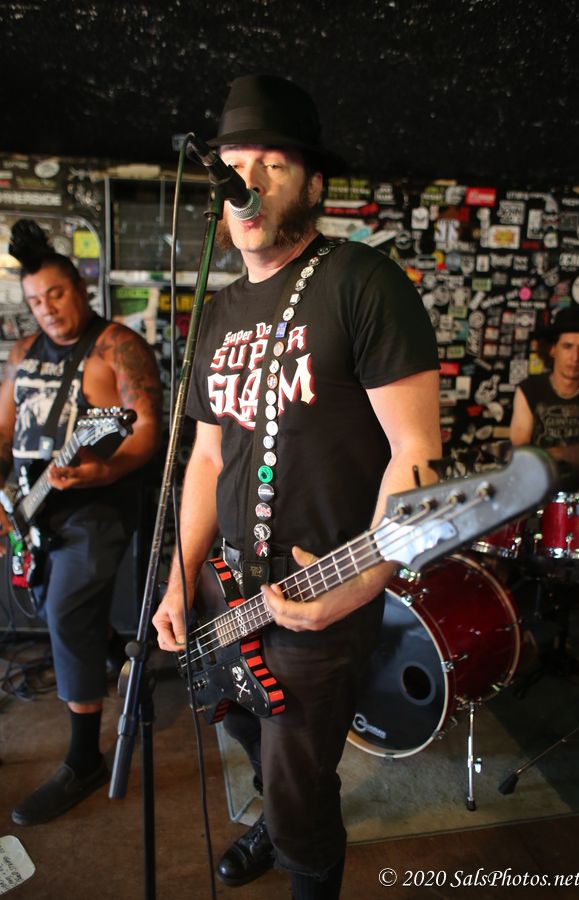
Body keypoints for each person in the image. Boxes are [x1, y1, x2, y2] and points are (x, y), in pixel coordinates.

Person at [152, 74, 441, 899]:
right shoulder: (217, 312)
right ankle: (272, 822)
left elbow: (418, 453)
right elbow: (207, 458)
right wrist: (179, 575)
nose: (246, 181)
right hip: (225, 586)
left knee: (302, 784)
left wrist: (363, 581)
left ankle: (295, 841)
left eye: (271, 164)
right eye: (233, 164)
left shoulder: (363, 282)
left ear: (313, 184)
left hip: (320, 593)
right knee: (246, 724)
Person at [0, 220, 162, 826]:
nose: (47, 309)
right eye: (36, 300)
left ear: (81, 289)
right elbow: (3, 430)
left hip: (96, 506)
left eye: (57, 294)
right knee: (55, 607)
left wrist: (105, 469)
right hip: (31, 507)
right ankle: (121, 656)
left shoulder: (117, 346)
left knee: (67, 611)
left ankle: (84, 760)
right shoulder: (22, 352)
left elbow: (146, 428)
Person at [510, 305, 579, 492]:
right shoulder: (530, 390)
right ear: (552, 349)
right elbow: (520, 454)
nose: (575, 357)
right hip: (539, 493)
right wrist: (561, 452)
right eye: (568, 347)